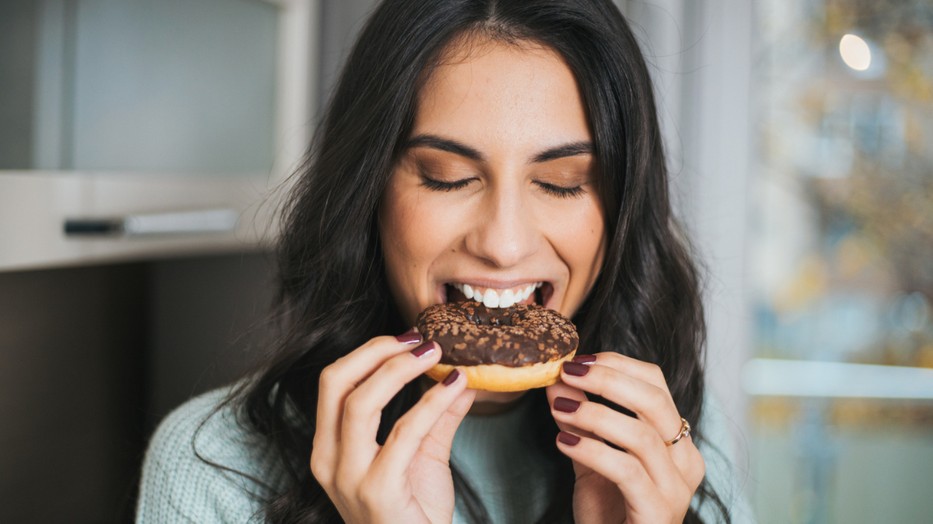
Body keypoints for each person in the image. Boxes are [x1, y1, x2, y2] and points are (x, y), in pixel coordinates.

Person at [137, 0, 752, 522]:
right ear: (369, 191)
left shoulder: (670, 435)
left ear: (621, 210)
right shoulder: (215, 466)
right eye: (447, 177)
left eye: (564, 182)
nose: (504, 244)